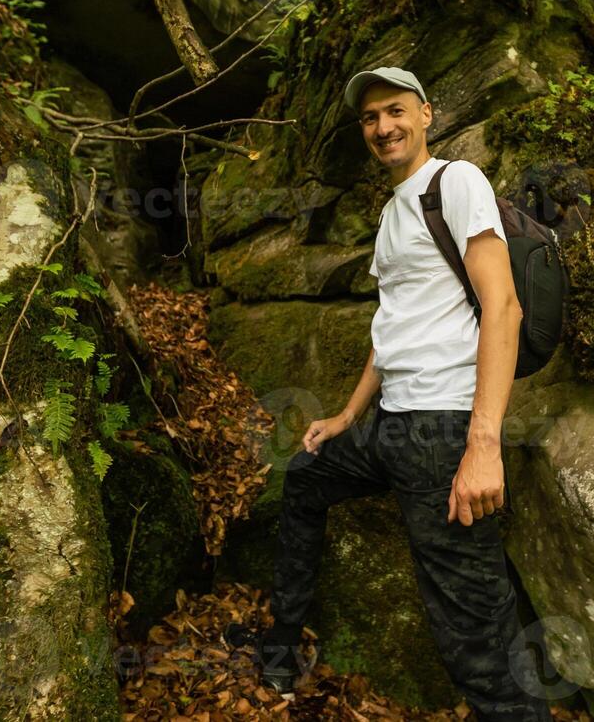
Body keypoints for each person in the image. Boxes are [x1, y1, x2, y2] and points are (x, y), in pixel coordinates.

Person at [225, 66, 552, 720]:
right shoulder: (392, 212)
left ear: (426, 114)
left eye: (394, 111)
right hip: (391, 427)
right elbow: (392, 327)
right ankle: (282, 650)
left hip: (444, 431)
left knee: (474, 639)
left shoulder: (455, 183)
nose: (382, 127)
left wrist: (483, 445)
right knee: (308, 474)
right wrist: (347, 415)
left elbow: (504, 306)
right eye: (370, 118)